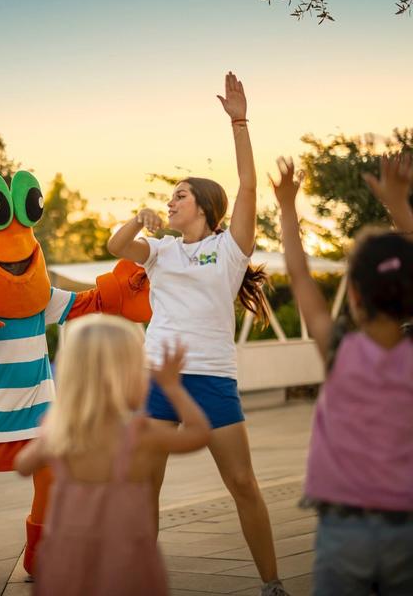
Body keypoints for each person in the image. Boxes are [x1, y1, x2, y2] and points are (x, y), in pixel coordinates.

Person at [107, 72, 288, 595]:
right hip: (157, 378)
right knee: (146, 487)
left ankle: (272, 584)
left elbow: (249, 186)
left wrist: (239, 122)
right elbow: (118, 247)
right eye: (170, 196)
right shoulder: (160, 250)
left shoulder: (229, 250)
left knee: (243, 483)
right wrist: (137, 220)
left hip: (211, 378)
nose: (171, 202)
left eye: (180, 196)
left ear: (205, 207)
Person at [271, 154, 413, 595]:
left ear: (352, 294)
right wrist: (399, 205)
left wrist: (288, 205)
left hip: (343, 527)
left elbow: (298, 275)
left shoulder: (340, 350)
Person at [15, 315, 210, 596]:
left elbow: (23, 466)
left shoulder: (61, 434)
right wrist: (172, 388)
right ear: (122, 377)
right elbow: (199, 434)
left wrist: (52, 432)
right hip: (125, 559)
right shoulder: (139, 435)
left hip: (68, 557)